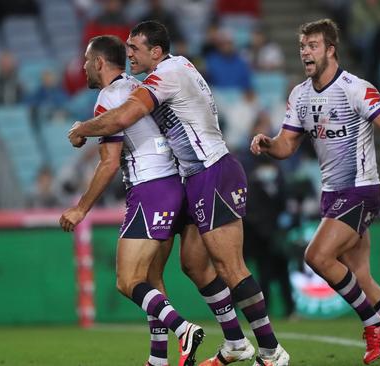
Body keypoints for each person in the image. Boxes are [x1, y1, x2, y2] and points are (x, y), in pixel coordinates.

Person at [68, 21, 289, 366]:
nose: (129, 55)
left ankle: (272, 351)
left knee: (231, 268)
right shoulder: (176, 67)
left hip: (212, 171)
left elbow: (122, 117)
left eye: (135, 48)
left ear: (156, 52)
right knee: (194, 265)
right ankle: (234, 342)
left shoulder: (166, 75)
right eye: (125, 48)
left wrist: (82, 129)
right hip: (190, 178)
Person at [250, 19, 380, 366]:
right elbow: (287, 144)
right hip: (332, 194)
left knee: (316, 257)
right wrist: (268, 144)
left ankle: (373, 323)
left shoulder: (354, 88)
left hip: (361, 190)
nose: (305, 52)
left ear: (331, 49)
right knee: (361, 277)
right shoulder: (299, 95)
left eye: (313, 45)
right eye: (303, 46)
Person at [58, 35, 205, 366]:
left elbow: (109, 162)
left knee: (127, 281)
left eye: (85, 61)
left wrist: (81, 207)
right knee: (151, 279)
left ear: (99, 62)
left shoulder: (108, 98)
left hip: (150, 189)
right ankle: (157, 360)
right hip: (175, 184)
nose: (82, 67)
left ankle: (183, 329)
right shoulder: (137, 87)